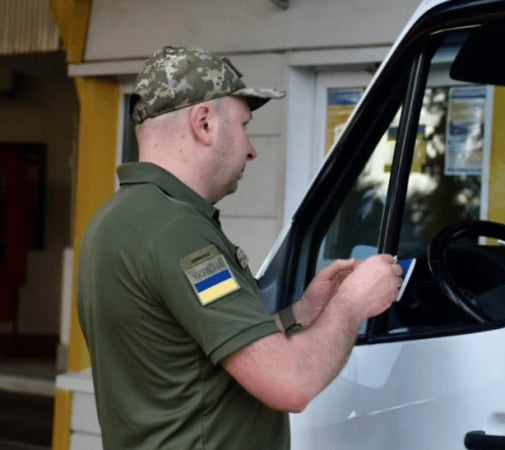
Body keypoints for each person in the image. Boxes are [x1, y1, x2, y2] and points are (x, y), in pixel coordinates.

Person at [76, 45, 403, 450]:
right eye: (244, 125)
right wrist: (353, 303)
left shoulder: (116, 219)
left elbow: (198, 359)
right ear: (204, 123)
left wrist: (301, 314)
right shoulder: (177, 231)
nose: (251, 148)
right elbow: (291, 384)